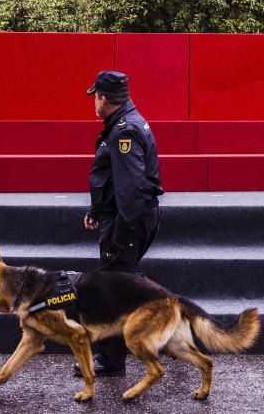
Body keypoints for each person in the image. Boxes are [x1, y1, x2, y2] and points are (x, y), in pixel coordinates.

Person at [77, 70, 163, 377]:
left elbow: (131, 190)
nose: (94, 104)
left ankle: (110, 361)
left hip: (129, 221)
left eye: (95, 98)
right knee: (126, 280)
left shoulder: (124, 132)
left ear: (103, 99)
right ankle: (173, 333)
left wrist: (121, 237)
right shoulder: (122, 124)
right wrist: (97, 209)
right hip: (125, 217)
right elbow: (114, 180)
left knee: (110, 287)